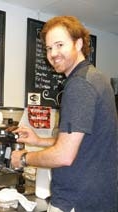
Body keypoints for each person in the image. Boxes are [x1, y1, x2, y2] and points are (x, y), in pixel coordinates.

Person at [11, 16, 118, 212]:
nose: (53, 53)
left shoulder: (79, 85)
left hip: (76, 201)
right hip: (99, 198)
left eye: (59, 45)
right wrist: (37, 141)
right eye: (49, 48)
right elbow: (82, 143)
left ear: (78, 44)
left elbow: (64, 155)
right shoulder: (97, 78)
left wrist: (24, 157)